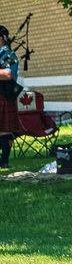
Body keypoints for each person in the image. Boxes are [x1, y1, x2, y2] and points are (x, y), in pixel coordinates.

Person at [0, 25, 20, 170]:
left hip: (4, 95)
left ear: (2, 38)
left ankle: (5, 160)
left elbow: (8, 75)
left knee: (4, 129)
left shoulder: (9, 55)